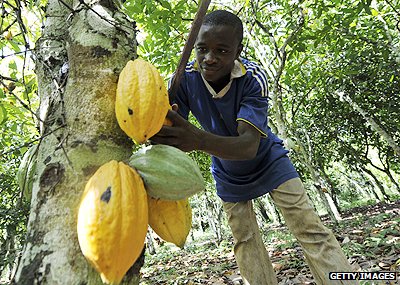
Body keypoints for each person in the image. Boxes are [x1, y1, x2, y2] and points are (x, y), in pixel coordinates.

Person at [151, 9, 357, 285]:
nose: (209, 58)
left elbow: (248, 145)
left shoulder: (253, 78)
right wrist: (159, 127)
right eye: (202, 49)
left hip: (268, 160)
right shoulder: (184, 79)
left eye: (222, 50)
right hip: (226, 170)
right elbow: (173, 129)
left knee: (309, 229)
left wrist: (197, 139)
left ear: (238, 50)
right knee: (244, 240)